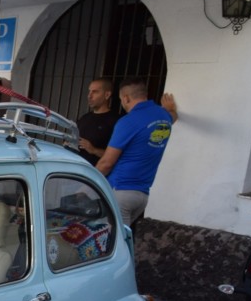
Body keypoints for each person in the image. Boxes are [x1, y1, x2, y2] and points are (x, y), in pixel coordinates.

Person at [96, 78, 177, 226]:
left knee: (111, 238)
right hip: (142, 196)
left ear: (126, 98)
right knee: (122, 235)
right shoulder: (163, 116)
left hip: (121, 191)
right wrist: (171, 109)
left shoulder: (128, 122)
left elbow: (106, 163)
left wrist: (88, 182)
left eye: (121, 99)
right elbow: (173, 117)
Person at [76, 78, 118, 167]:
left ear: (107, 95)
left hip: (97, 173)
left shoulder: (116, 121)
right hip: (77, 170)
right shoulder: (84, 118)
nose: (89, 96)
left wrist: (94, 150)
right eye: (89, 91)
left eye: (95, 92)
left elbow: (118, 157)